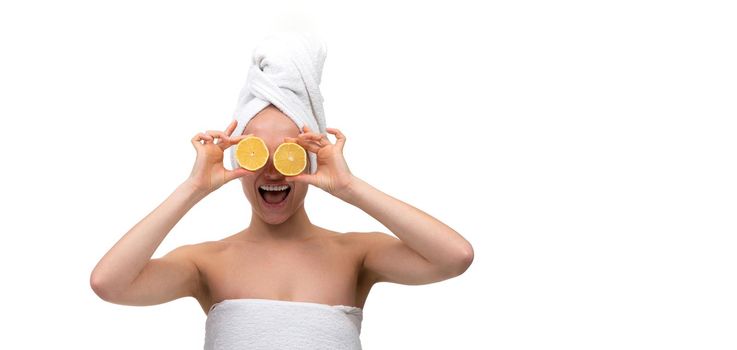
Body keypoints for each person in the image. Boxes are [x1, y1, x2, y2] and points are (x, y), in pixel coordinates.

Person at [90, 35, 474, 349]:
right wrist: (193, 188)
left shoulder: (355, 255)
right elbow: (109, 284)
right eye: (256, 153)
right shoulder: (206, 262)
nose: (272, 169)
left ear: (311, 159)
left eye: (288, 153)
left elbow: (454, 256)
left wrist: (350, 187)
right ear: (237, 156)